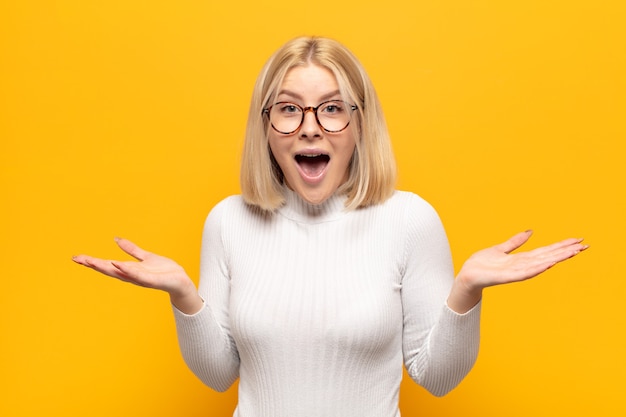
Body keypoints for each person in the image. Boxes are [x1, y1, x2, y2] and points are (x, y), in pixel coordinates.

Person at [72, 36, 587, 417]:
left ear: (361, 124)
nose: (311, 126)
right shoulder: (228, 221)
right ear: (266, 125)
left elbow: (437, 378)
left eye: (333, 109)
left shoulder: (409, 220)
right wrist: (184, 296)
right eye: (289, 109)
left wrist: (468, 292)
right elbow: (219, 375)